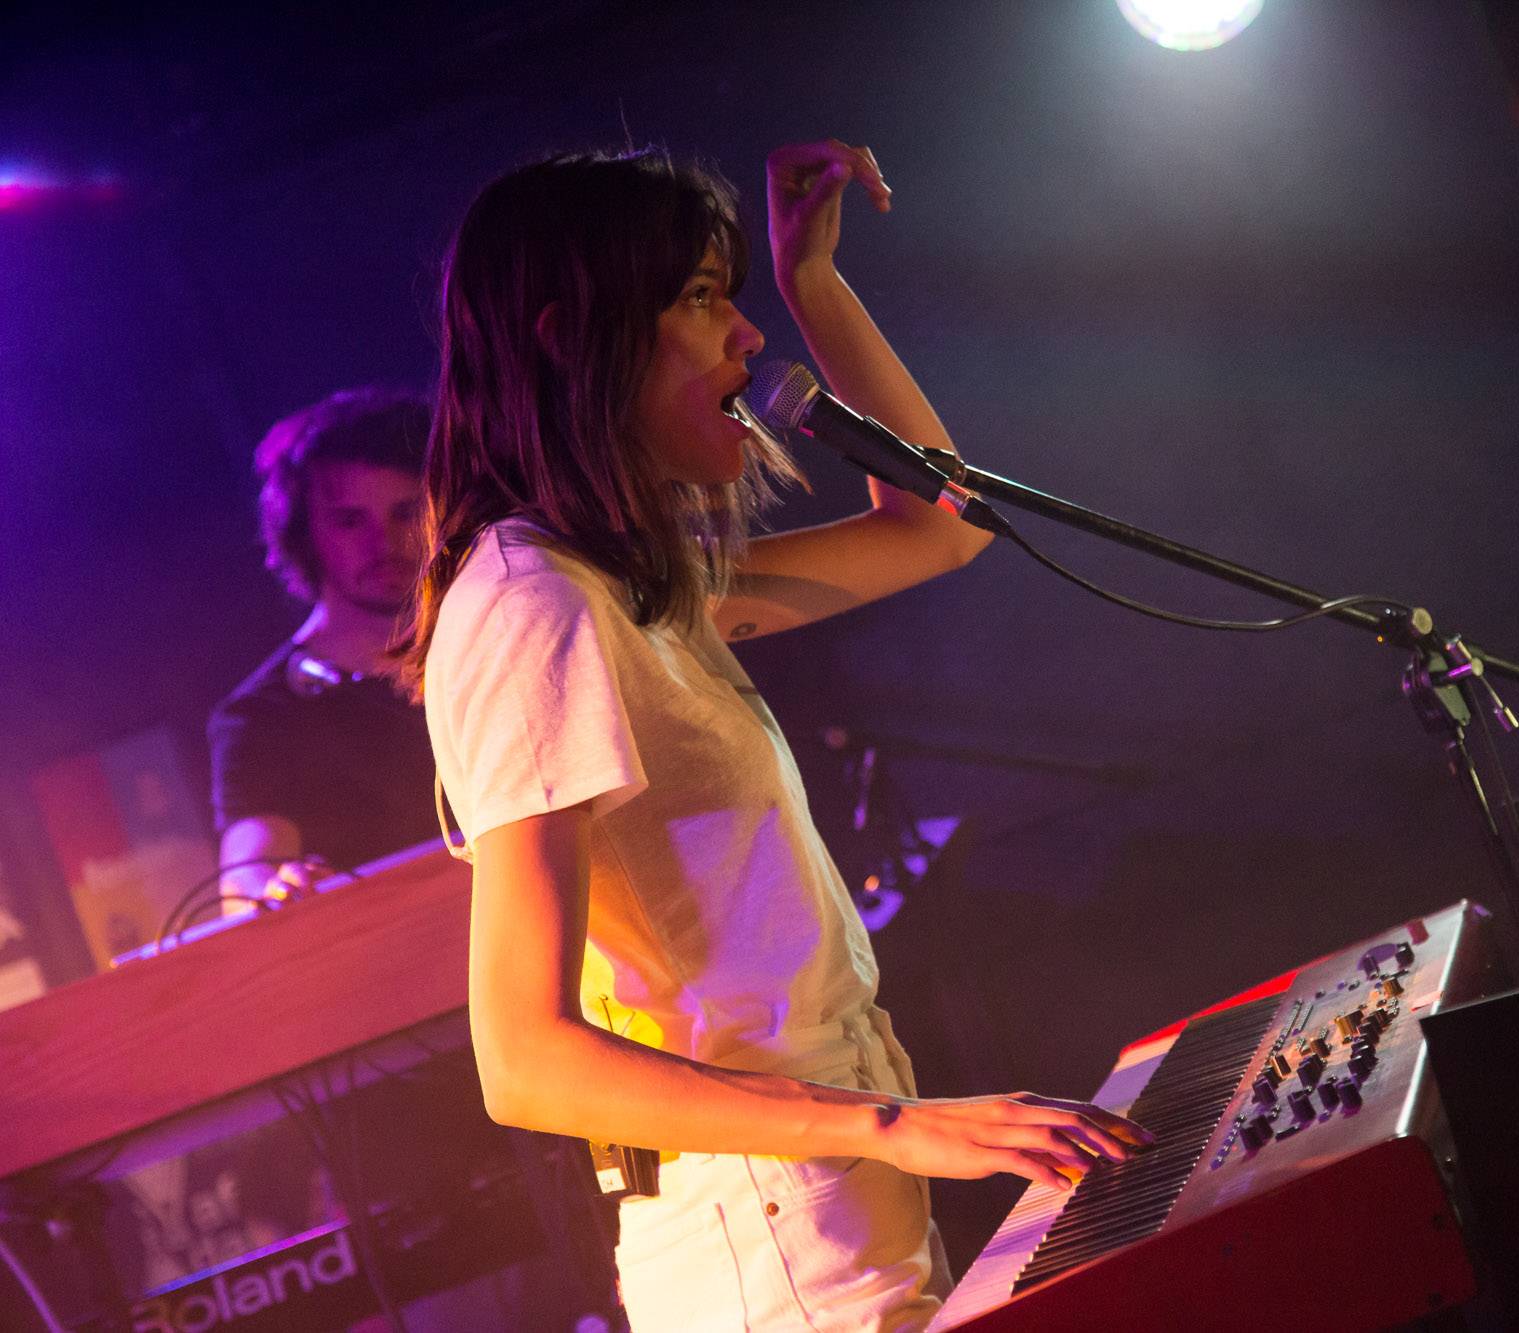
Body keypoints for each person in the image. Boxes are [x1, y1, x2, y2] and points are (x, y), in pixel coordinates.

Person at [399, 139, 1148, 1331]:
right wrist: (896, 1127)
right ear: (567, 337)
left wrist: (819, 287)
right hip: (764, 1222)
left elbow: (936, 528)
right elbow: (524, 1058)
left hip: (812, 1193)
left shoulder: (619, 583)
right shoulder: (530, 604)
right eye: (702, 299)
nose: (747, 338)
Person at [207, 388, 442, 904]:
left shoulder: (493, 649)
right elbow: (246, 878)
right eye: (350, 520)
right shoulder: (262, 718)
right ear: (303, 532)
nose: (384, 542)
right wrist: (266, 890)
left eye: (406, 511)